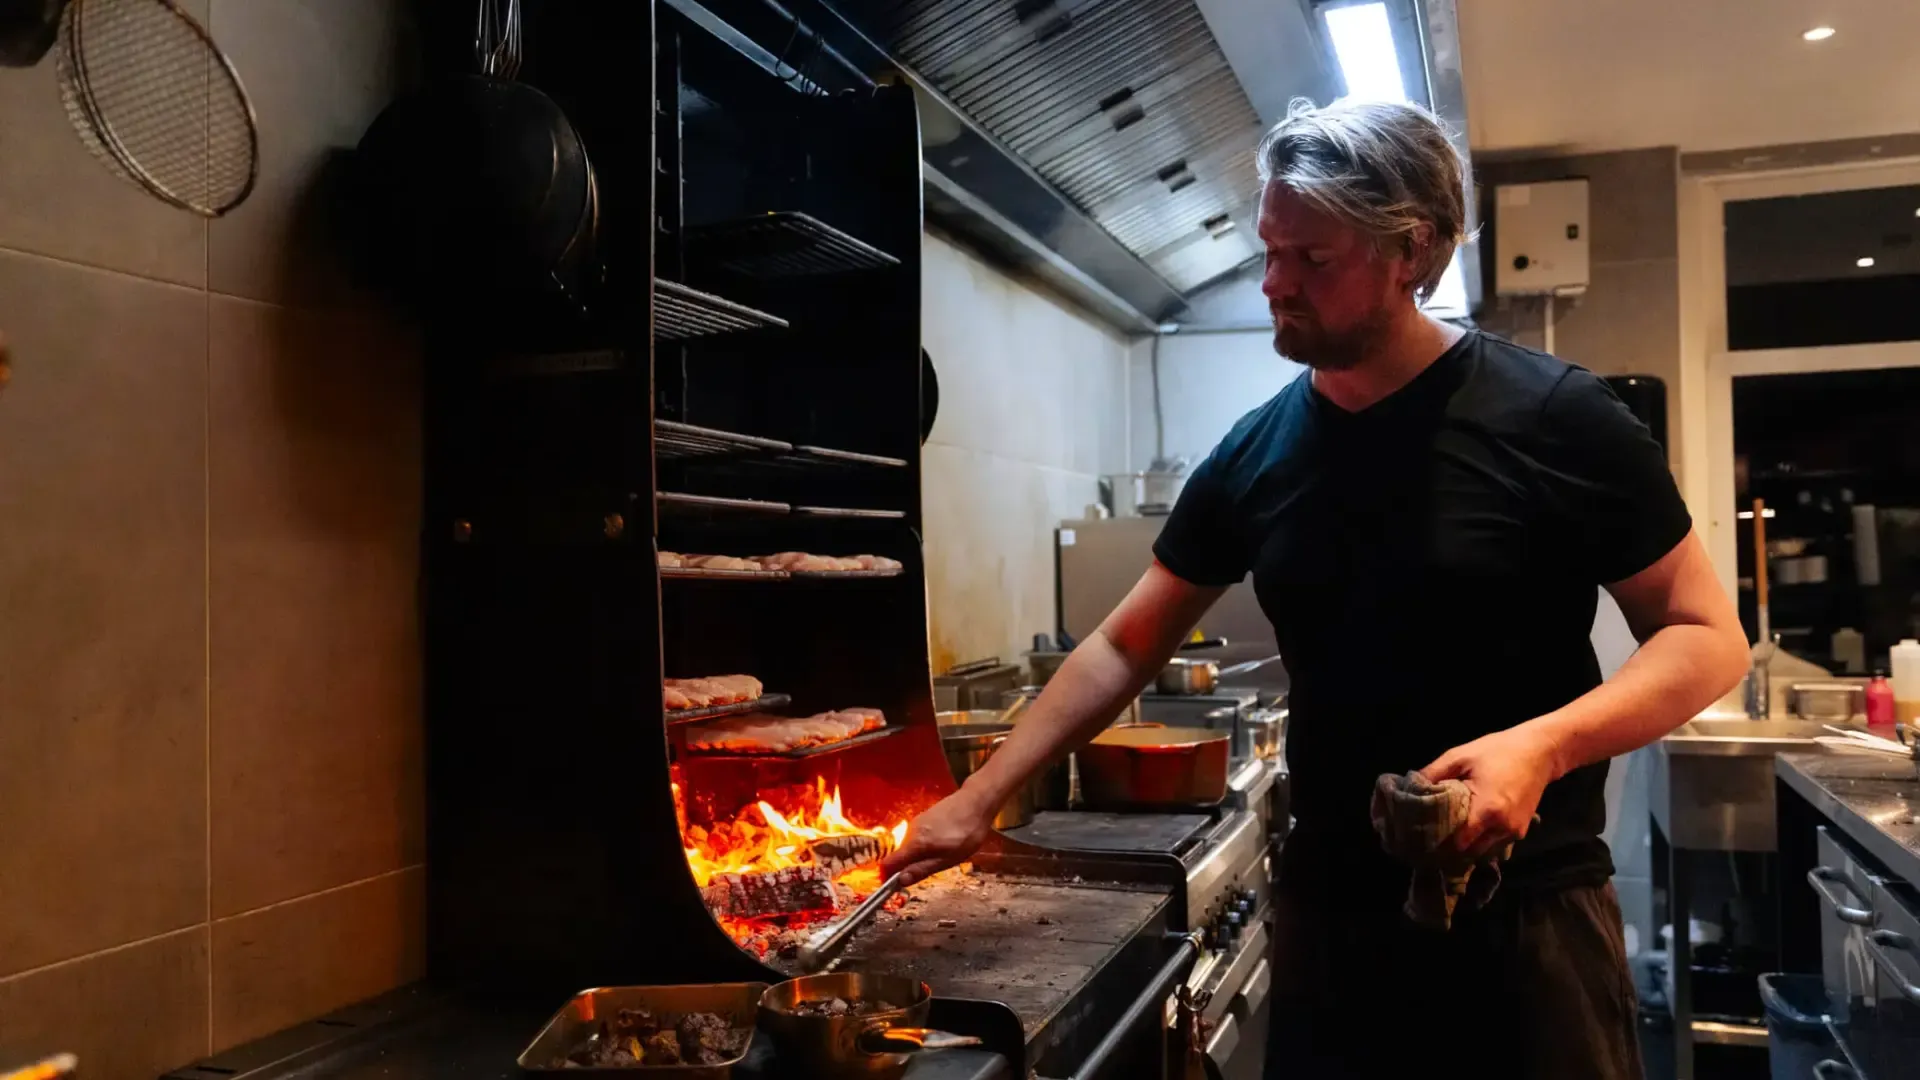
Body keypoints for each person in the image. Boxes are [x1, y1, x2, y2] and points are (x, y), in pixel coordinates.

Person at [881, 97, 1748, 1079]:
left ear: (1413, 250)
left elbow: (1706, 635)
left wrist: (1542, 746)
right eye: (1269, 250)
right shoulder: (1257, 450)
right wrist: (980, 797)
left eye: (1312, 259)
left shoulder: (1556, 417)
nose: (1274, 284)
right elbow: (1125, 643)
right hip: (1333, 921)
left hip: (1528, 917)